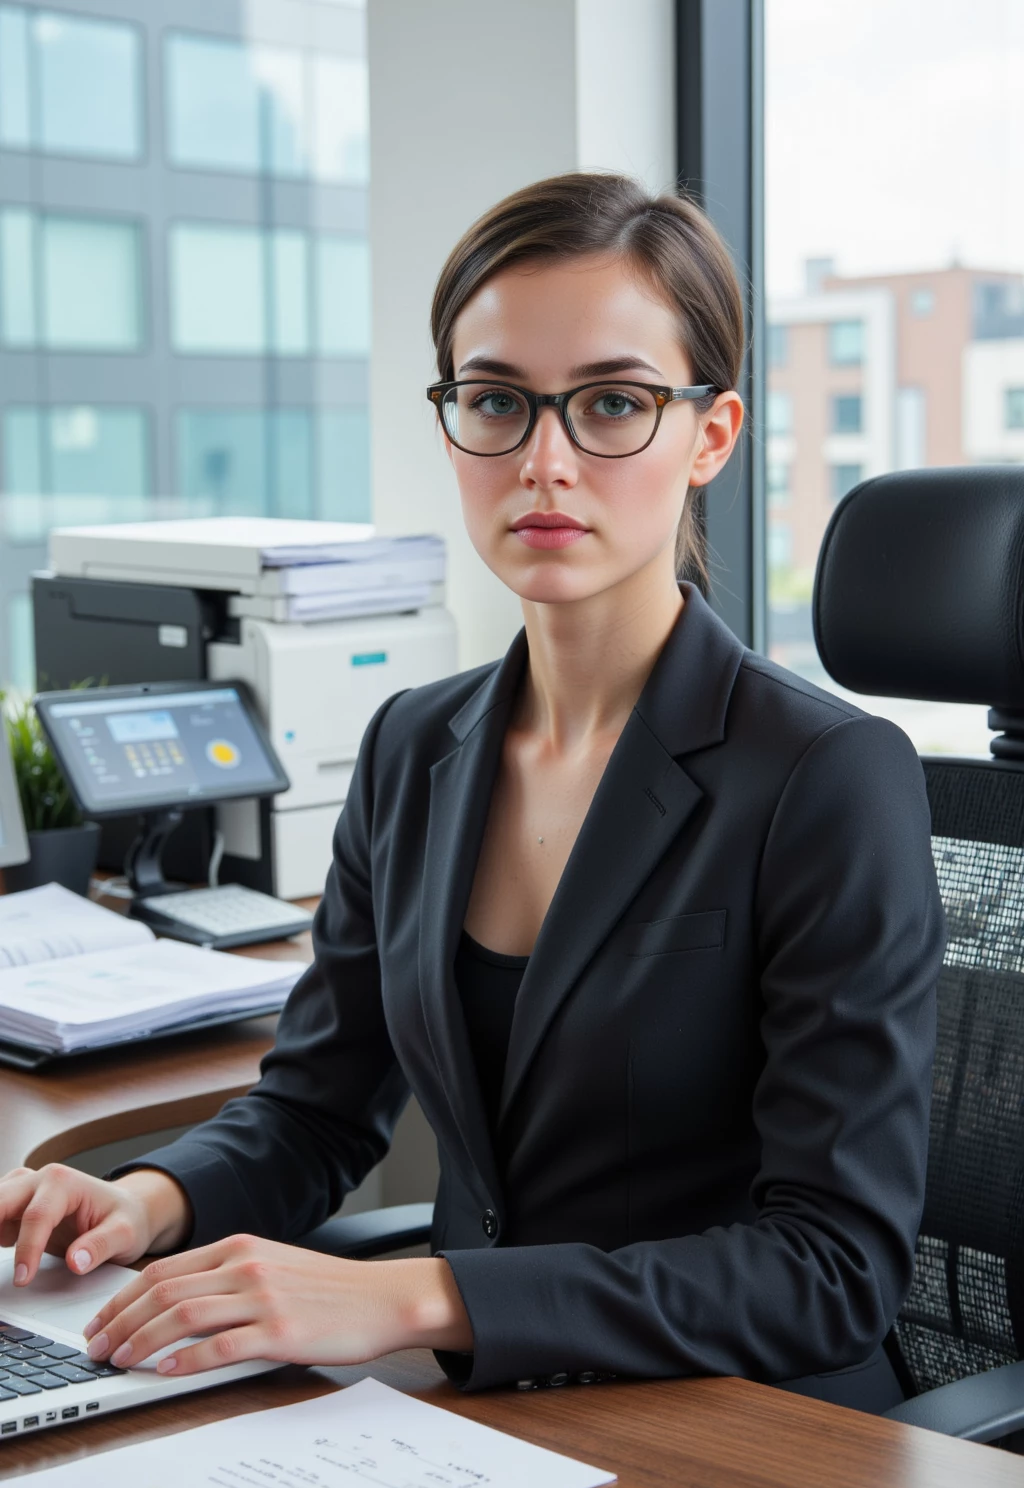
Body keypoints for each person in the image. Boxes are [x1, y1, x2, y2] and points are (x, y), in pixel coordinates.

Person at [0, 173, 945, 1411]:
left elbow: (832, 1268)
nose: (543, 462)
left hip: (743, 1421)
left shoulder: (824, 774)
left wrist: (420, 1296)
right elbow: (315, 1110)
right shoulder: (412, 747)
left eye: (613, 403)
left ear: (709, 435)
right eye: (496, 401)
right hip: (482, 1407)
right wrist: (146, 1199)